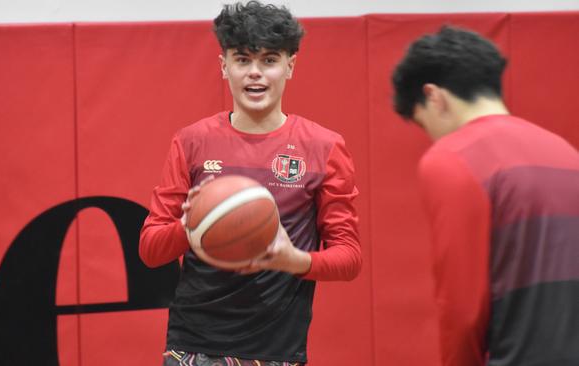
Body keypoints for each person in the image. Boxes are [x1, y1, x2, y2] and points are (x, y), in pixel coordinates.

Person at [139, 1, 362, 365]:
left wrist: (296, 261)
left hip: (276, 348)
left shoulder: (324, 147)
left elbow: (349, 257)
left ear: (290, 65)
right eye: (242, 60)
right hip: (192, 345)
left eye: (269, 60)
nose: (255, 73)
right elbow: (150, 249)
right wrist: (189, 226)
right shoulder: (192, 141)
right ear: (223, 66)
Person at [391, 25, 579, 366]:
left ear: (434, 96)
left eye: (423, 123)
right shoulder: (568, 154)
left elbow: (462, 307)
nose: (432, 137)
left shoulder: (452, 157)